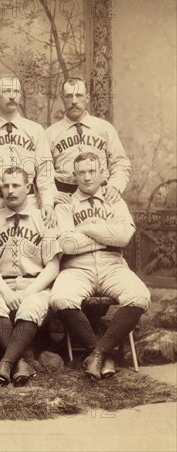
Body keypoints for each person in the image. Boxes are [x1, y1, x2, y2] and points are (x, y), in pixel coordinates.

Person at [50, 152, 150, 380]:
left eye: (92, 171)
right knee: (60, 299)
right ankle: (104, 355)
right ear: (74, 176)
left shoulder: (114, 200)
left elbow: (124, 237)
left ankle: (96, 353)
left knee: (140, 295)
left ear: (102, 173)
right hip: (77, 267)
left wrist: (85, 227)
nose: (87, 177)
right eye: (82, 172)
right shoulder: (66, 203)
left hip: (112, 263)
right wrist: (106, 233)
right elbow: (67, 244)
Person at [0, 167, 60, 386]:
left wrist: (28, 292)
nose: (10, 191)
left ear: (28, 188)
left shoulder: (43, 218)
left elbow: (53, 265)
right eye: (5, 185)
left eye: (16, 185)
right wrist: (6, 291)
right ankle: (20, 361)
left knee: (30, 308)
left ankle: (6, 362)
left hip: (35, 284)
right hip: (3, 285)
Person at [0, 76, 56, 226]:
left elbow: (45, 172)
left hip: (28, 202)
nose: (12, 95)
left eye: (16, 91)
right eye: (6, 91)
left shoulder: (35, 130)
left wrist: (48, 203)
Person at [46, 77, 131, 204]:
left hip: (101, 193)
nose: (74, 101)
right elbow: (43, 171)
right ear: (62, 98)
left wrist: (114, 186)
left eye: (79, 95)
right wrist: (52, 194)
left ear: (87, 97)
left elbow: (120, 163)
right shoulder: (50, 133)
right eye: (69, 96)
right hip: (65, 197)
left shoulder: (105, 128)